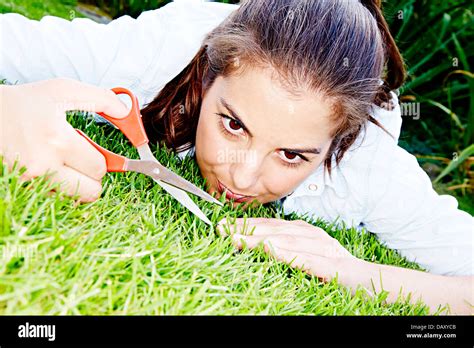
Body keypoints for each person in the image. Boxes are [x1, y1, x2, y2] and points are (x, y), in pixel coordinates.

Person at [1, 0, 472, 314]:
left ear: (337, 144)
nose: (244, 177)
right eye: (233, 125)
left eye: (291, 155)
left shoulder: (369, 166)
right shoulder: (151, 54)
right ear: (207, 79)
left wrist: (357, 272)